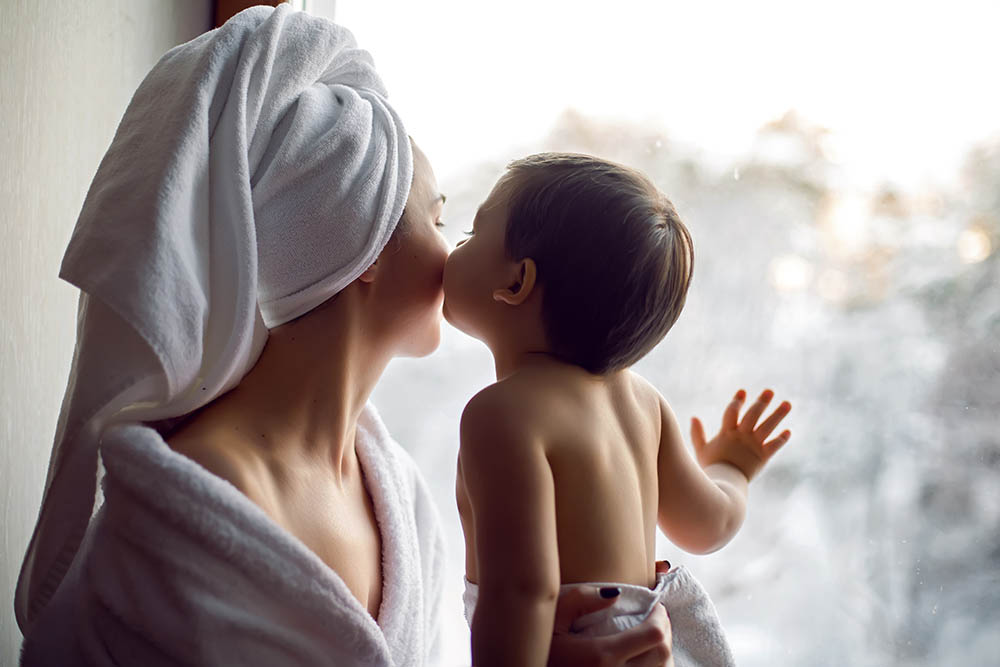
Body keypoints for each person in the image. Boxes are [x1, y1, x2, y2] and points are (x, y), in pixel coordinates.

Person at [14, 6, 672, 666]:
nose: (452, 253)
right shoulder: (183, 518)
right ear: (363, 249)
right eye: (439, 220)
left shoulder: (396, 493)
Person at [444, 153, 794, 666]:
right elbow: (709, 524)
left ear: (516, 283)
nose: (454, 246)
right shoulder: (644, 404)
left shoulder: (502, 415)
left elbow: (523, 593)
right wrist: (733, 467)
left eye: (473, 234)